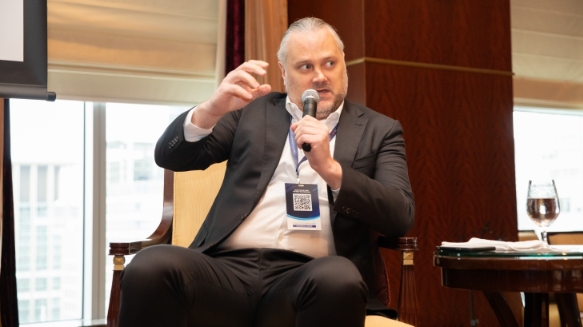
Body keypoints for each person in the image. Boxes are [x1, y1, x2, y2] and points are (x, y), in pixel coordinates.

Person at [118, 17, 414, 327]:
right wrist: (211, 109)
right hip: (225, 274)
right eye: (305, 67)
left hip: (309, 279)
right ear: (284, 73)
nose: (320, 77)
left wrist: (331, 169)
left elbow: (400, 215)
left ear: (343, 63)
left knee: (338, 278)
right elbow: (171, 156)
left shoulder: (379, 130)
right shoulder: (250, 112)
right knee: (150, 266)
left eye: (330, 63)